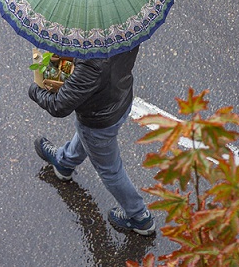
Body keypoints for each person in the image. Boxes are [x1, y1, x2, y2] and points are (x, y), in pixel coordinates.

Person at [28, 45, 155, 236]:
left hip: (98, 119)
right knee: (90, 140)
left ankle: (139, 217)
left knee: (110, 169)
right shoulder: (123, 29)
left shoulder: (90, 62)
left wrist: (35, 91)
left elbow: (59, 105)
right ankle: (64, 163)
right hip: (120, 98)